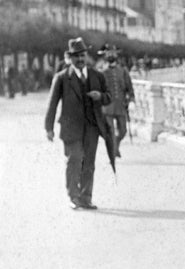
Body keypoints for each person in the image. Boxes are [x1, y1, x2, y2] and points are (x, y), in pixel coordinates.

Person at [44, 37, 112, 210]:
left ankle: (86, 198)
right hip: (70, 127)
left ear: (86, 56)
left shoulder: (97, 76)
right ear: (70, 58)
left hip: (91, 127)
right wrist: (49, 127)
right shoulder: (61, 78)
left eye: (82, 56)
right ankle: (73, 196)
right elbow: (52, 103)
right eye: (76, 57)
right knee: (74, 160)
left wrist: (100, 96)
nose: (80, 59)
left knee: (89, 163)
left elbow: (109, 97)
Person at [101, 45, 134, 158]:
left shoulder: (123, 71)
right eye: (108, 53)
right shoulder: (102, 72)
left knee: (123, 131)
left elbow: (130, 87)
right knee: (110, 130)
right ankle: (114, 150)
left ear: (116, 55)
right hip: (107, 107)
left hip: (121, 106)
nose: (111, 55)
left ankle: (115, 146)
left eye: (113, 53)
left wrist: (131, 100)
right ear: (105, 56)